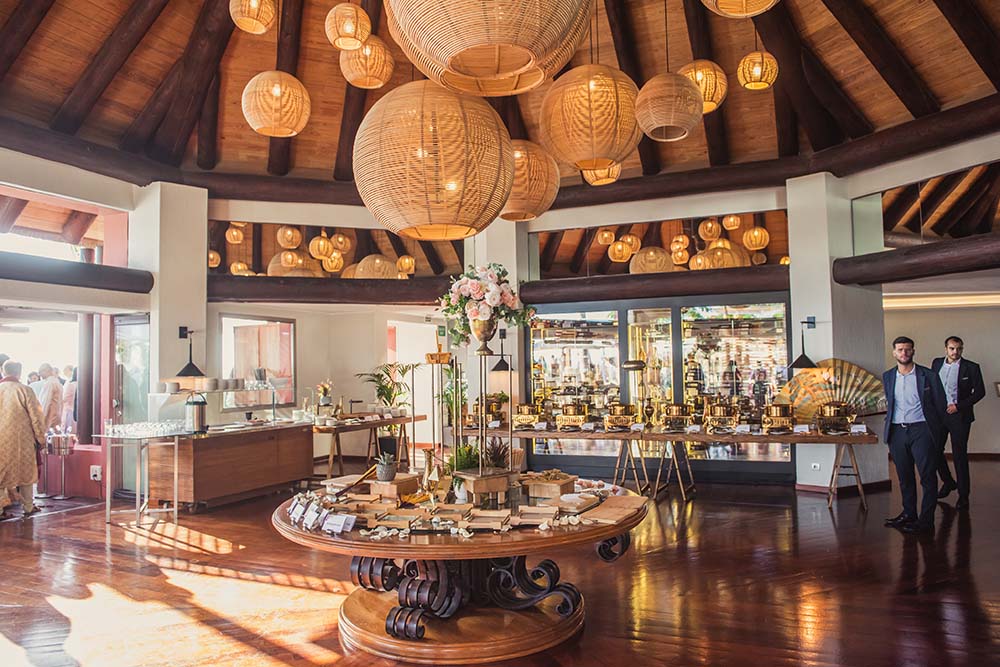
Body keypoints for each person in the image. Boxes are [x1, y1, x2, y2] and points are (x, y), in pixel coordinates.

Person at [882, 336, 947, 535]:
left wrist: (936, 433)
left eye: (908, 349)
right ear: (894, 352)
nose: (904, 353)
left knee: (927, 476)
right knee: (904, 477)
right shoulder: (888, 376)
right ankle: (909, 514)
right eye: (900, 349)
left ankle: (926, 521)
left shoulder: (928, 375)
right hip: (897, 431)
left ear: (913, 351)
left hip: (922, 430)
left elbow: (940, 404)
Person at [932, 336, 986, 510]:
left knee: (959, 455)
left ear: (962, 349)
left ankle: (963, 496)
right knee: (934, 450)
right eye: (952, 348)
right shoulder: (936, 363)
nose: (955, 352)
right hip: (939, 416)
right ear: (946, 349)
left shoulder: (971, 367)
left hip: (960, 416)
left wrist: (958, 406)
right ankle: (948, 482)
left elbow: (980, 392)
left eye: (959, 348)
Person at [0, 360, 46, 518]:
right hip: (22, 439)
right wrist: (41, 438)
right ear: (19, 372)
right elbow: (36, 416)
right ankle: (28, 506)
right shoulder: (25, 390)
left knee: (1, 473)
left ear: (3, 371)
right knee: (26, 473)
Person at [32, 363, 63, 432]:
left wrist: (40, 418)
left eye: (40, 372)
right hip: (57, 416)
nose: (39, 375)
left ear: (47, 371)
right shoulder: (58, 383)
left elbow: (45, 402)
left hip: (49, 417)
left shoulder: (49, 383)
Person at [62, 366, 78, 433]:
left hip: (70, 411)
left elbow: (64, 398)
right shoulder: (72, 384)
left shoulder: (70, 384)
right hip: (72, 411)